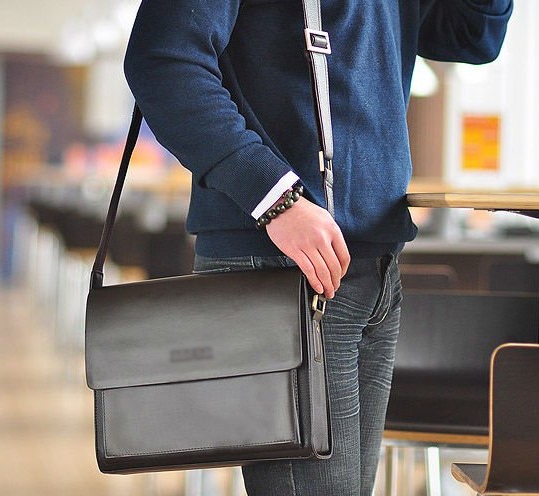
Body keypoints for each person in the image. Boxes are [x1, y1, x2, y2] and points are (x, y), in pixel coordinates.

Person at [124, 1, 513, 494]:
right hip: (281, 262)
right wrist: (275, 198)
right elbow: (163, 59)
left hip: (373, 265)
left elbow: (470, 35)